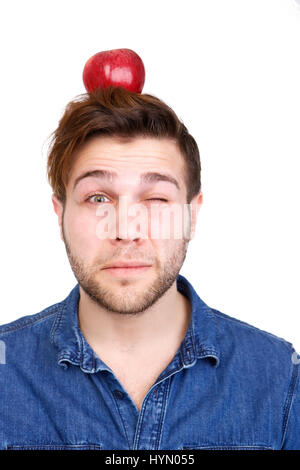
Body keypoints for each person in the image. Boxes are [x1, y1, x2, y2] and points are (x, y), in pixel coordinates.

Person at [0, 86, 299, 451]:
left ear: (191, 215)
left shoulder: (280, 377)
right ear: (60, 214)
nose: (126, 230)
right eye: (98, 198)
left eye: (156, 199)